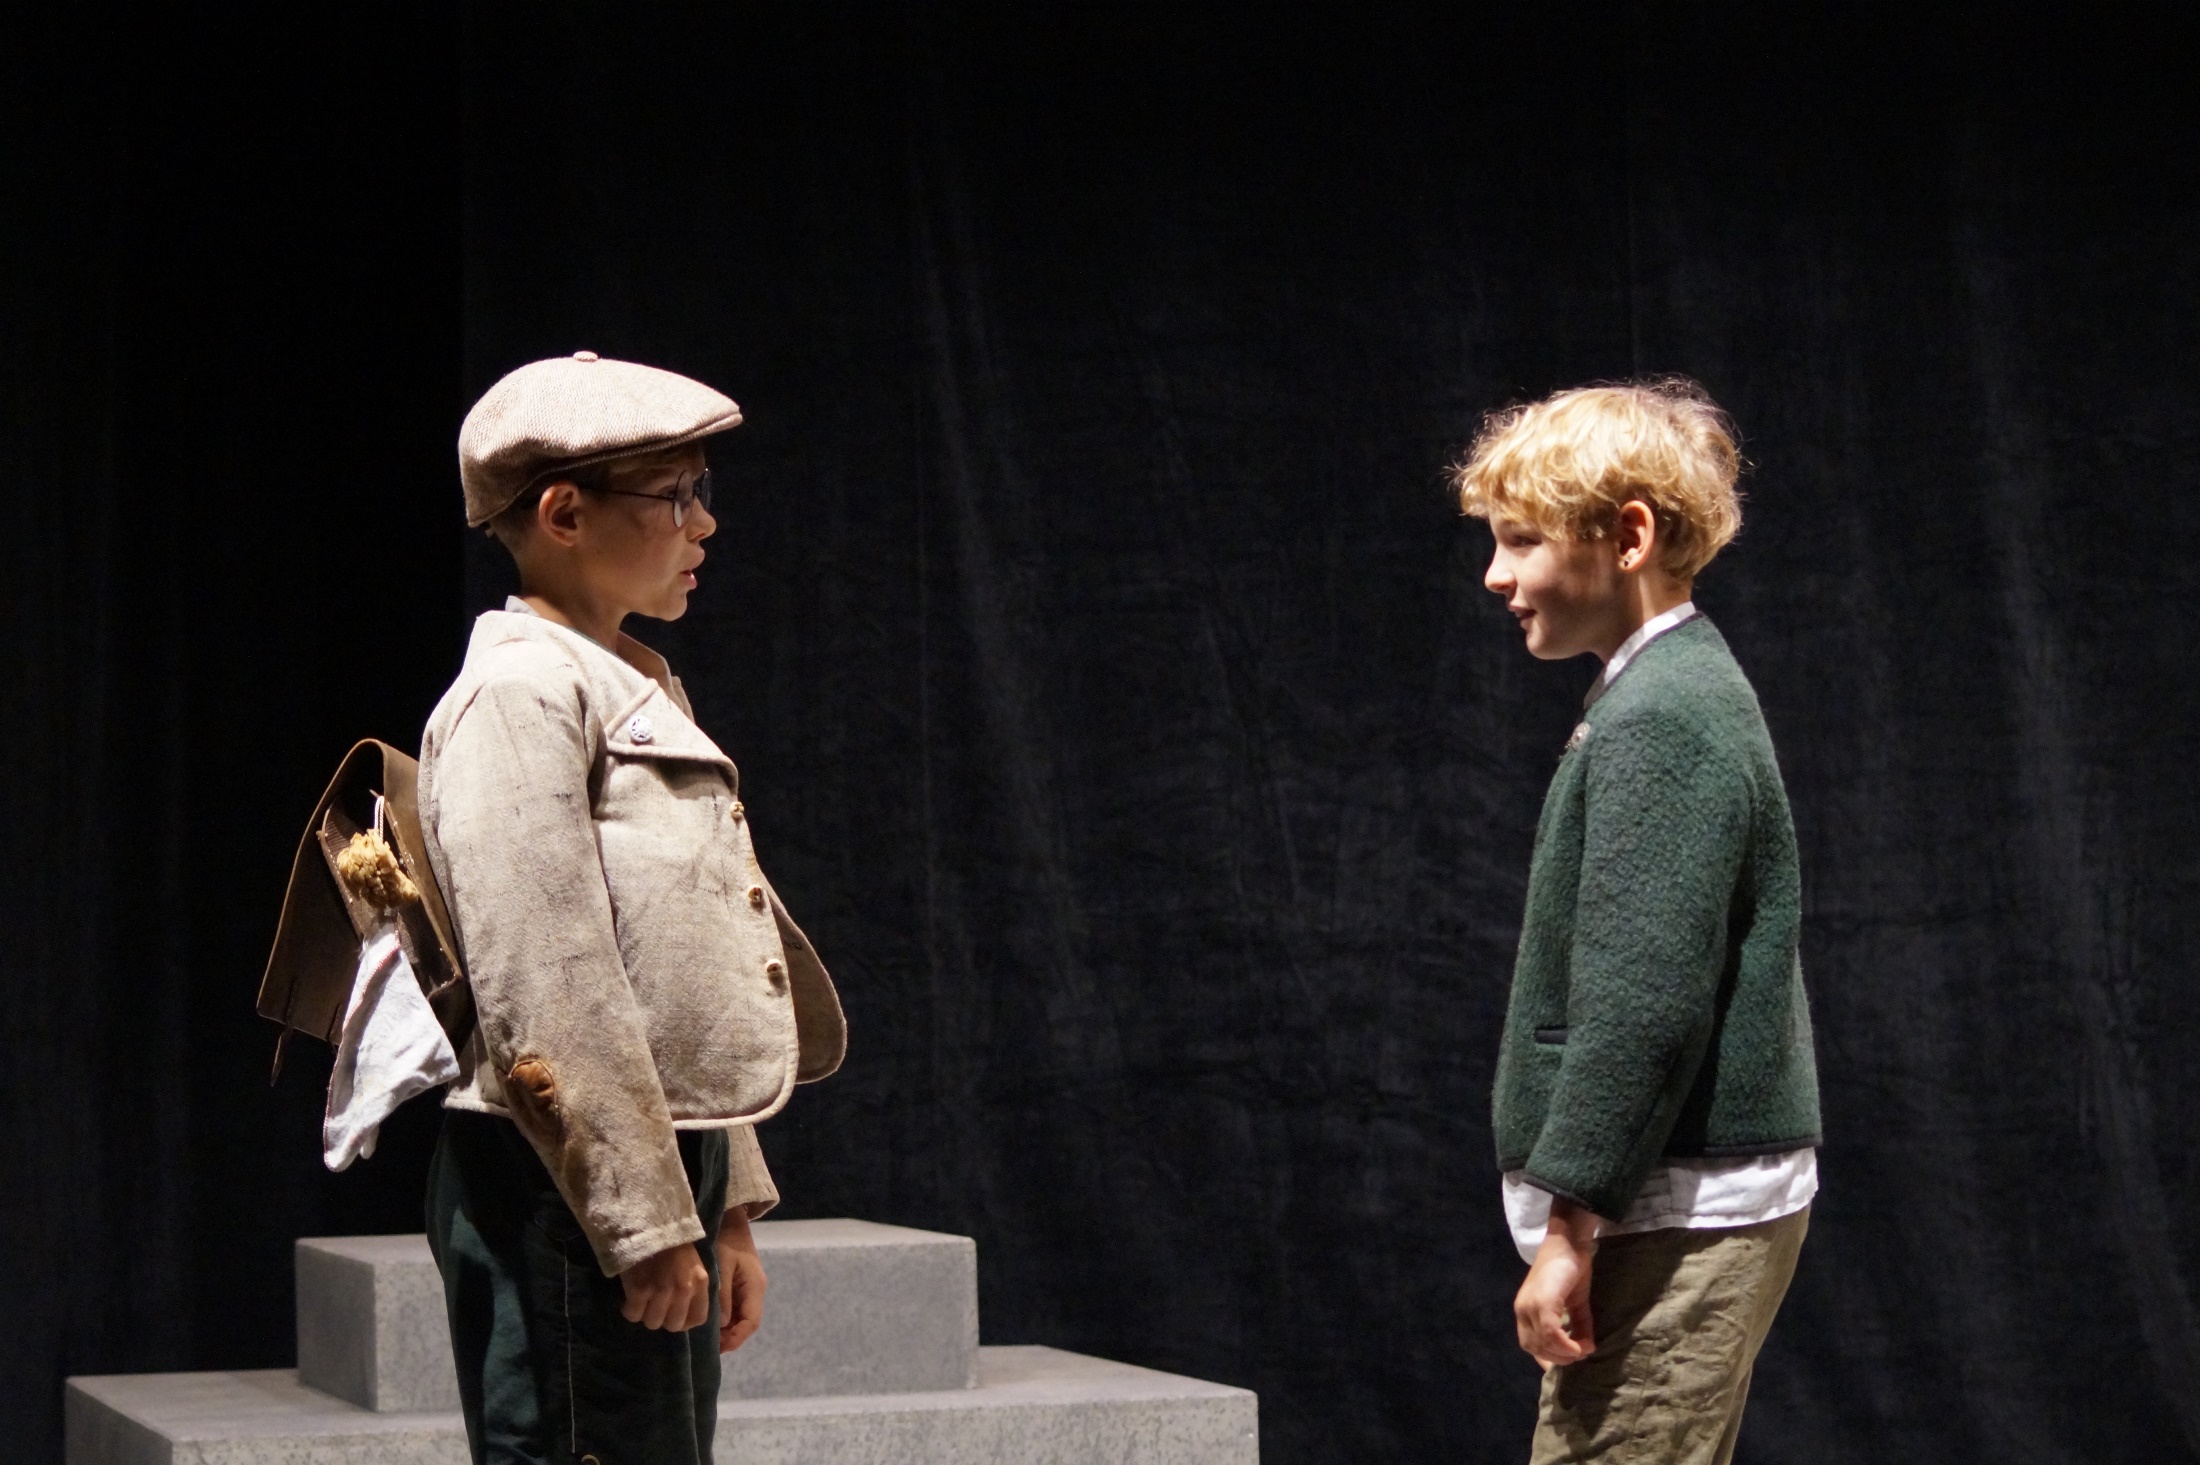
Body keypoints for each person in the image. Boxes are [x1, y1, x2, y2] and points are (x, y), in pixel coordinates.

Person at [418, 352, 846, 1465]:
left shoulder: (628, 683)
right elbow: (548, 983)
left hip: (642, 1163)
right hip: (563, 1178)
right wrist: (642, 1219)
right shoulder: (519, 693)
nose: (704, 522)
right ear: (564, 513)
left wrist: (727, 1202)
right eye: (677, 493)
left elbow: (679, 968)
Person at [1455, 379, 1821, 1464]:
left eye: (1521, 539)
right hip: (1671, 1199)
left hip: (1672, 1208)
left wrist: (1571, 1228)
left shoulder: (1663, 716)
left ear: (1628, 538)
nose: (1495, 574)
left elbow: (1644, 1005)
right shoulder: (1664, 693)